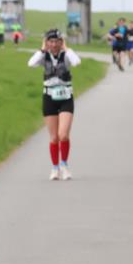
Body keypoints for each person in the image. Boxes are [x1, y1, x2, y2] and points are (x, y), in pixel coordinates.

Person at [28, 29, 81, 180]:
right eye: (51, 41)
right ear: (47, 42)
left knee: (63, 135)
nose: (54, 44)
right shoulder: (44, 56)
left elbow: (77, 61)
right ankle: (54, 168)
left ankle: (64, 165)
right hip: (49, 97)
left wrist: (67, 48)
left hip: (65, 98)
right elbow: (30, 64)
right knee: (53, 138)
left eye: (57, 41)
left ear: (61, 42)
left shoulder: (66, 56)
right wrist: (42, 49)